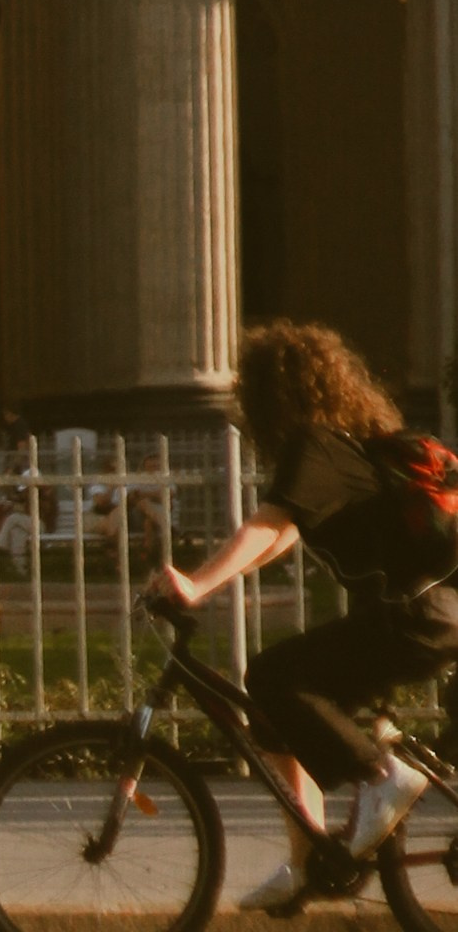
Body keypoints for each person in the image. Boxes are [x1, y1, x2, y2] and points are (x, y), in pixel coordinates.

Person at [152, 318, 458, 912]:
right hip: (434, 614)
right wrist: (208, 582)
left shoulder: (316, 444)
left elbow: (265, 525)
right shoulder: (346, 449)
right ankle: (308, 860)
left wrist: (195, 584)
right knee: (274, 713)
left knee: (271, 675)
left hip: (417, 616)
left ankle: (380, 775)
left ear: (271, 394)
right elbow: (281, 537)